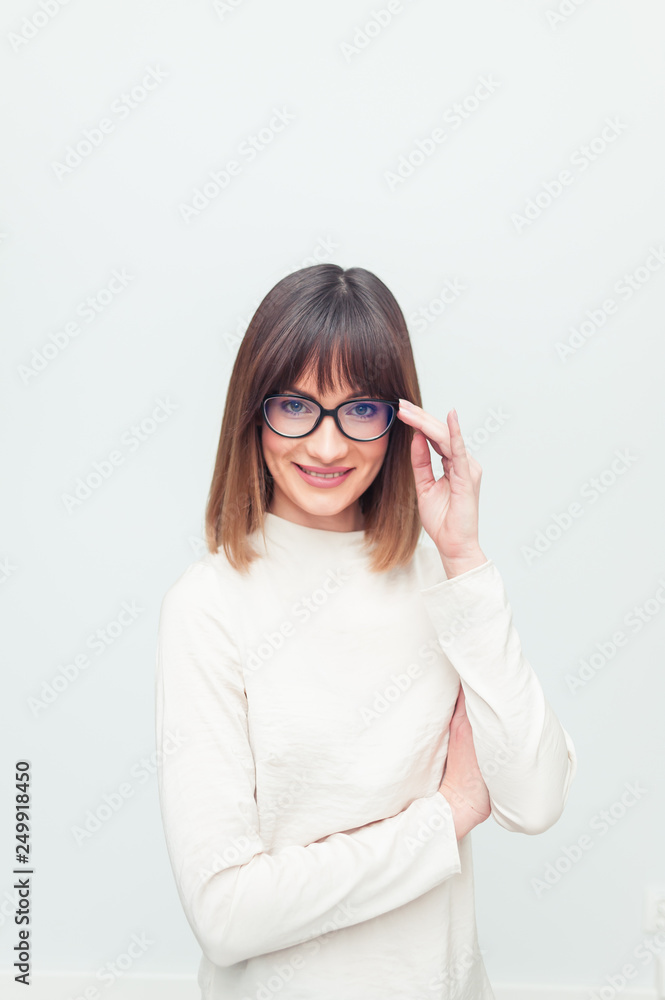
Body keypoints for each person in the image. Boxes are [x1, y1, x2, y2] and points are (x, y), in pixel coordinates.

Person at [154, 263, 578, 1000]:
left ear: (397, 420)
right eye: (295, 406)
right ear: (252, 415)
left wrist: (463, 558)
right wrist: (445, 817)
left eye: (359, 409)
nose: (326, 447)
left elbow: (534, 801)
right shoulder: (209, 604)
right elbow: (226, 914)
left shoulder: (445, 581)